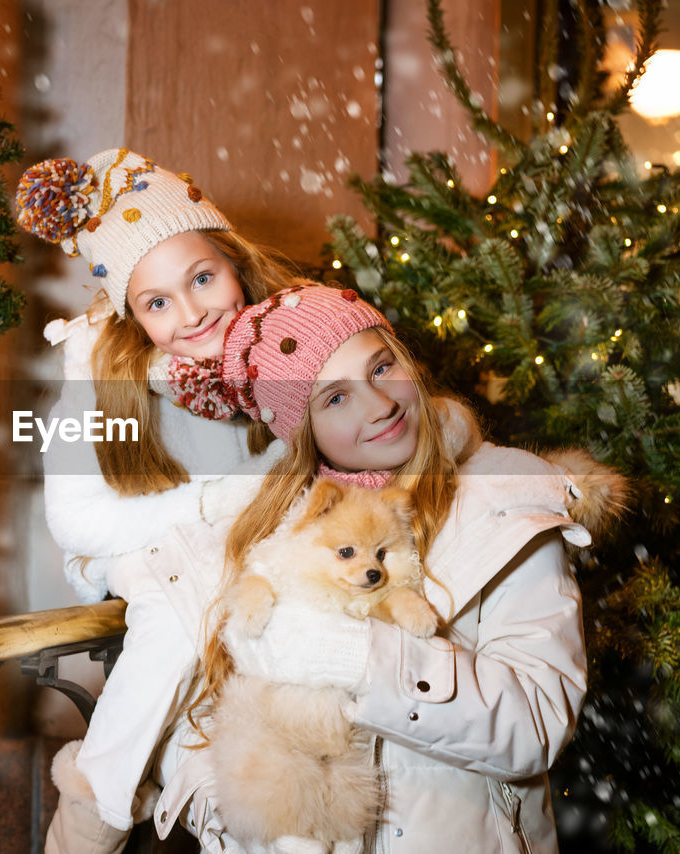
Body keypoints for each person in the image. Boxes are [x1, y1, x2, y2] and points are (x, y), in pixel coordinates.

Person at [150, 284, 613, 853]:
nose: (380, 405)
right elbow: (195, 726)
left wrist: (361, 659)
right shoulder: (273, 528)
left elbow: (536, 724)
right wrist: (247, 831)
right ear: (304, 432)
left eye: (381, 366)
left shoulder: (502, 500)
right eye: (335, 399)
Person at [15, 148, 297, 853]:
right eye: (158, 302)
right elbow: (77, 519)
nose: (194, 312)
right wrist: (218, 506)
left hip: (260, 556)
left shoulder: (289, 343)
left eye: (204, 277)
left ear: (235, 263)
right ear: (130, 316)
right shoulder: (101, 379)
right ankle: (90, 817)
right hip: (136, 546)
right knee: (176, 626)